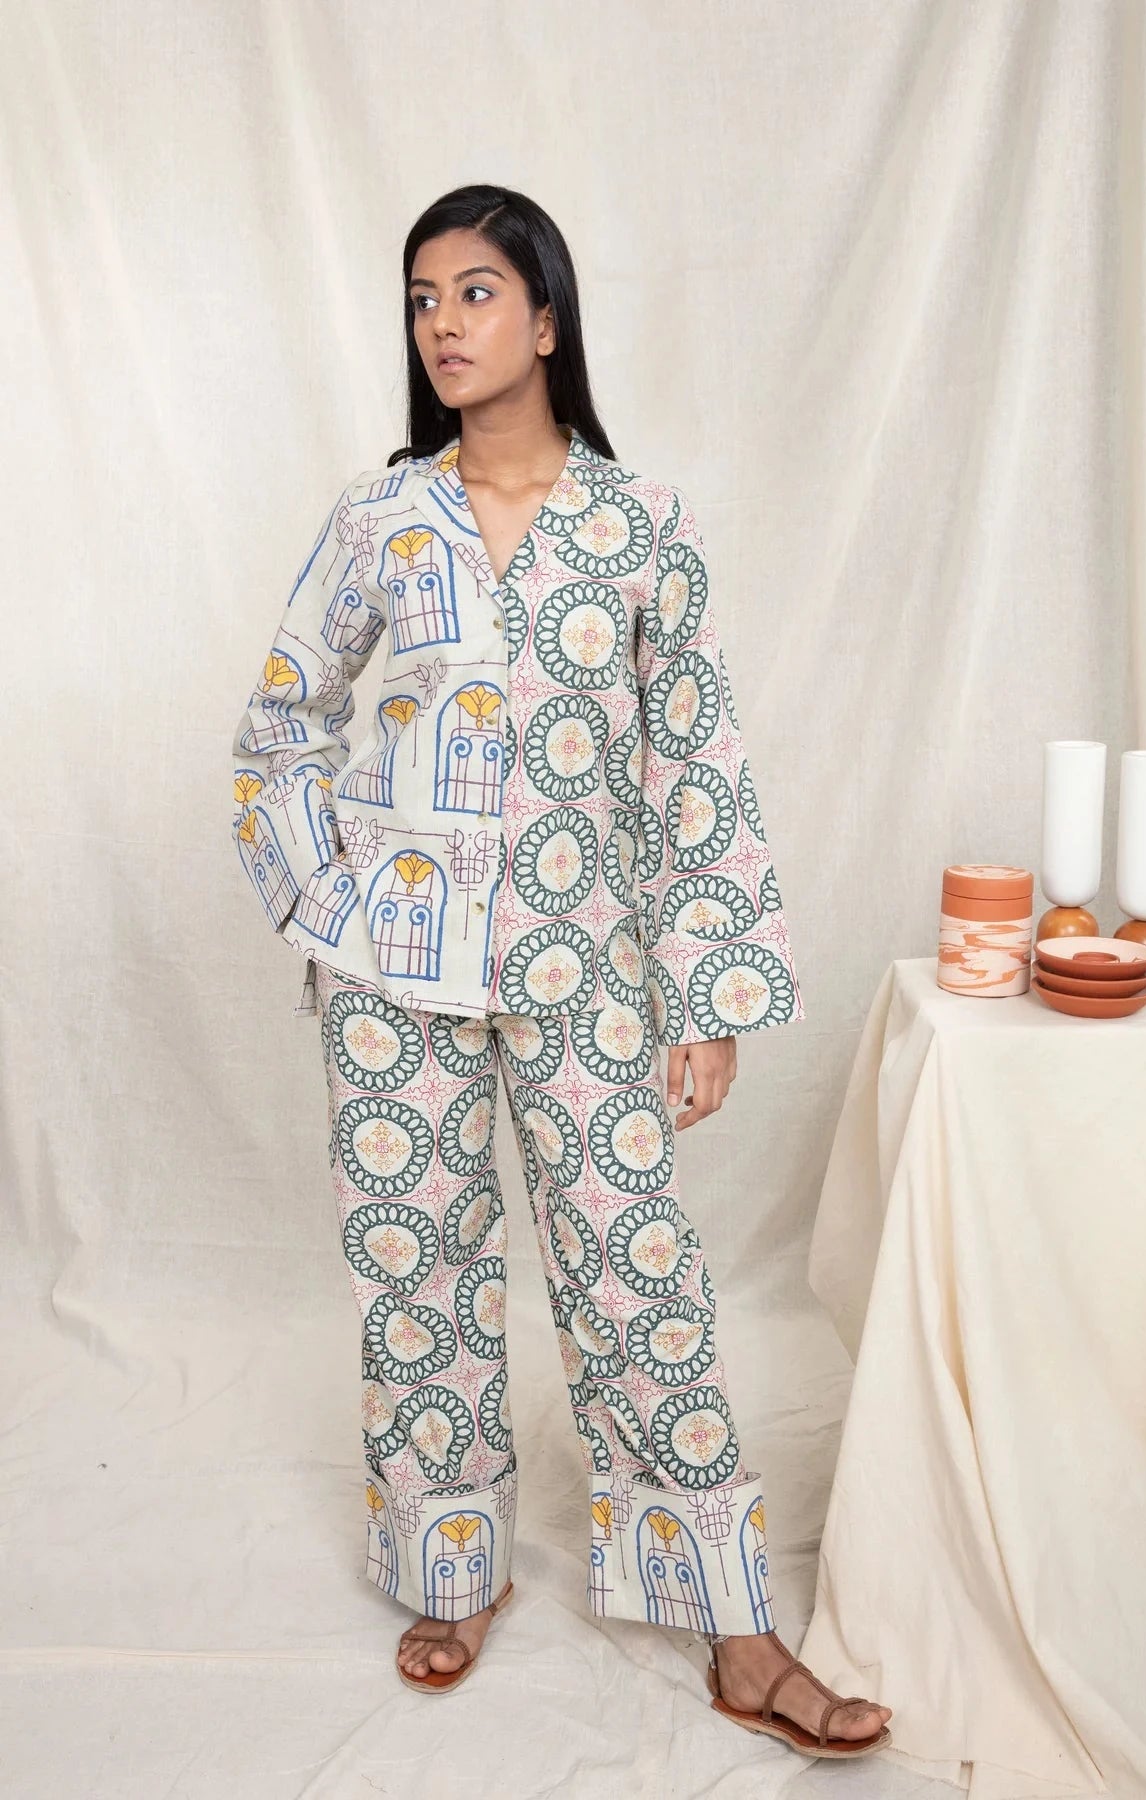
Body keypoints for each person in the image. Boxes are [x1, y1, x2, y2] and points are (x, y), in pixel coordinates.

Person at [230, 183, 892, 1760]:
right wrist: (330, 902)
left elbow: (694, 767)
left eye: (474, 292)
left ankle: (736, 1625)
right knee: (420, 1273)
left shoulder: (641, 527)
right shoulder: (381, 521)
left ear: (545, 317)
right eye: (420, 300)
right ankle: (448, 1571)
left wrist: (707, 995)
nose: (441, 325)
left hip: (585, 965)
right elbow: (280, 728)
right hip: (395, 977)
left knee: (636, 1277)